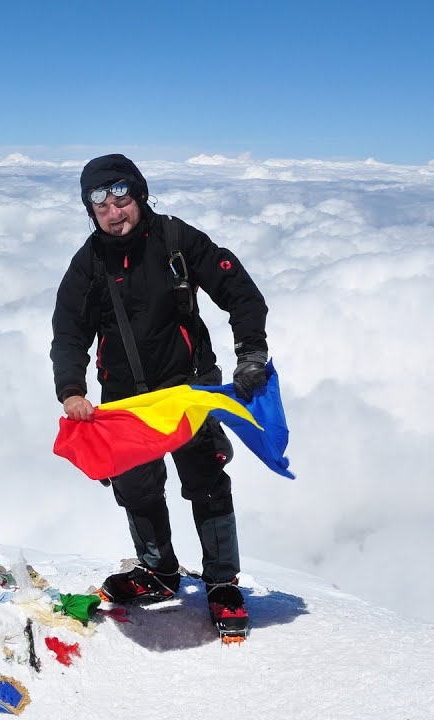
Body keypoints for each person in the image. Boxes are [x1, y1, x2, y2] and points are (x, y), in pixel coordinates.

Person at [50, 154, 269, 633]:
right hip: (127, 404)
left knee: (207, 482)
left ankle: (222, 583)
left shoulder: (175, 240)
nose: (114, 212)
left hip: (187, 389)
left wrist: (251, 353)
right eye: (100, 204)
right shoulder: (88, 265)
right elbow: (68, 334)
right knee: (136, 488)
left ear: (140, 194)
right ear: (90, 211)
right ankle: (159, 572)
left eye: (122, 197)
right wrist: (71, 391)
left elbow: (240, 291)